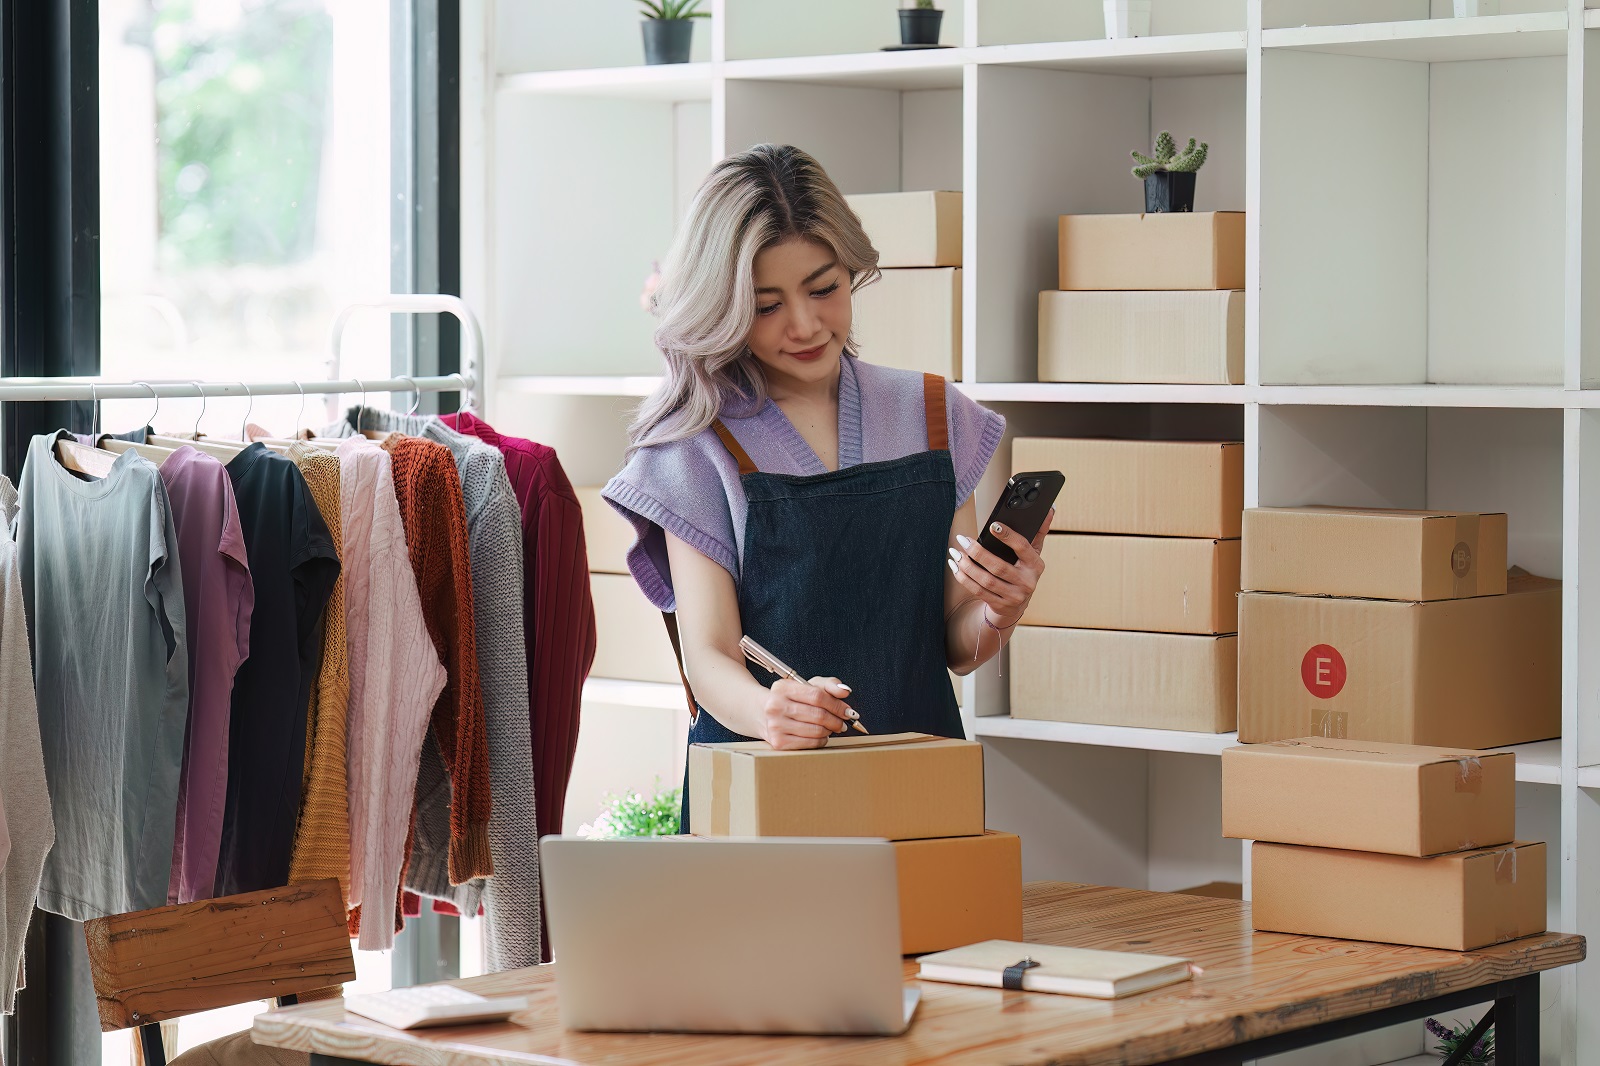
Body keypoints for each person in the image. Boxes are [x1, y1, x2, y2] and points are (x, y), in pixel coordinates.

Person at [603, 144, 1052, 830]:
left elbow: (956, 646)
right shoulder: (697, 444)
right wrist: (770, 712)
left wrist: (999, 612)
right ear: (721, 307)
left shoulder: (934, 414)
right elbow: (711, 657)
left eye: (823, 288)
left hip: (919, 785)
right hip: (759, 799)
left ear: (852, 271)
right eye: (766, 305)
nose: (807, 325)